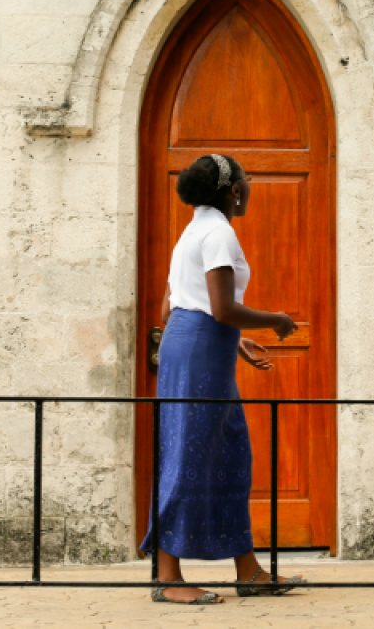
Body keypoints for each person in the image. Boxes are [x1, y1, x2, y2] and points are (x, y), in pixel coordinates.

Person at [140, 154, 305, 605]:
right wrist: (274, 320)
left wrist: (231, 343)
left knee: (229, 453)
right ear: (234, 191)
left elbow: (169, 308)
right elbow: (221, 308)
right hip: (199, 349)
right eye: (247, 180)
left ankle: (248, 570)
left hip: (196, 346)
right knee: (186, 456)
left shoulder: (195, 229)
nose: (249, 187)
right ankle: (168, 577)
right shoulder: (217, 232)